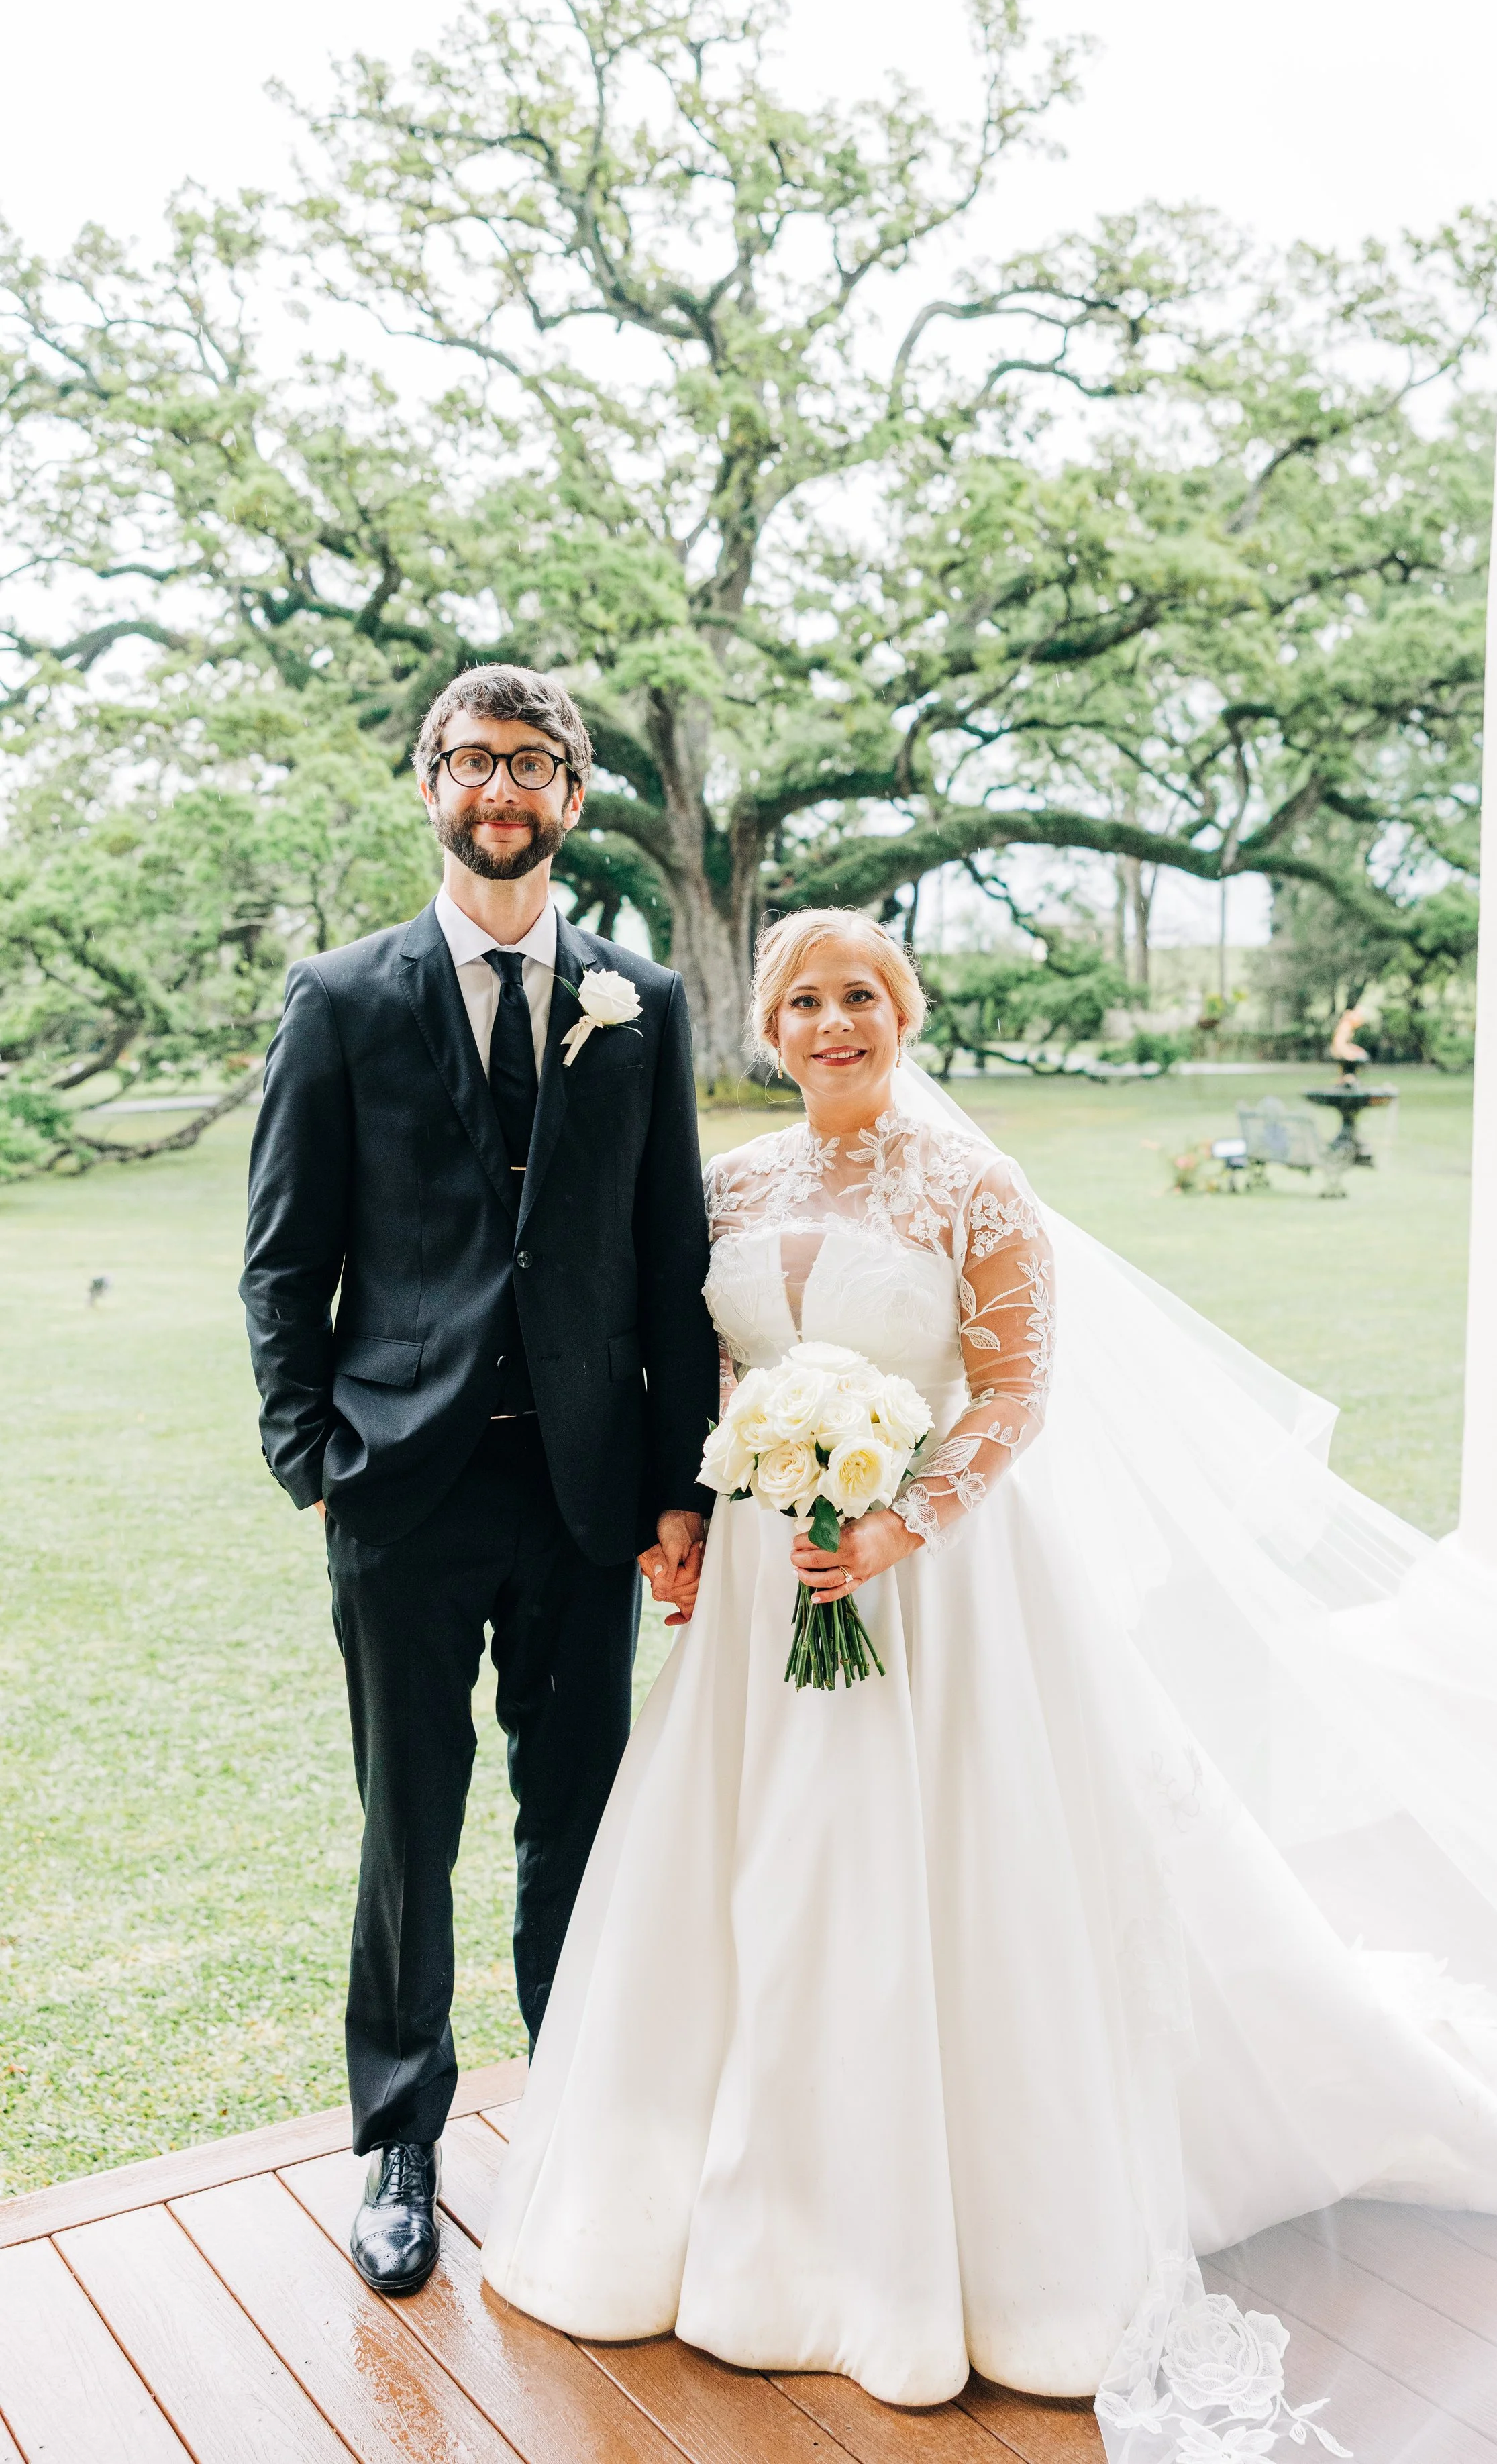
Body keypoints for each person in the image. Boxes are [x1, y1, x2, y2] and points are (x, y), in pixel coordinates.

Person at [482, 906, 1497, 2449]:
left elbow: (1016, 1386)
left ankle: (970, 2241)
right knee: (764, 1874)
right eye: (801, 999)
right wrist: (728, 1504)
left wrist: (899, 1515)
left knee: (949, 1875)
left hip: (940, 1586)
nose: (830, 1020)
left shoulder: (973, 1185)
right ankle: (749, 2212)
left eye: (859, 994)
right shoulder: (727, 1185)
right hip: (770, 1581)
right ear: (764, 1030)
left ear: (901, 1017)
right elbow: (706, 1366)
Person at [240, 666, 717, 2296]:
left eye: (531, 761)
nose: (498, 785)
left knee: (577, 1823)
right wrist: (312, 1457)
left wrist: (681, 1489)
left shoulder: (639, 998)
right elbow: (283, 1257)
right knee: (409, 1821)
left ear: (574, 795)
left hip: (583, 1498)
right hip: (402, 1493)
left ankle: (579, 2121)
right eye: (471, 758)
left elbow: (669, 1263)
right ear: (428, 782)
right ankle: (398, 2139)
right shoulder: (343, 997)